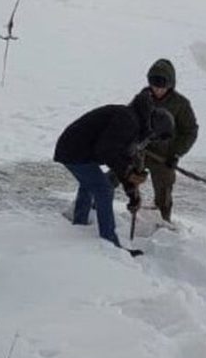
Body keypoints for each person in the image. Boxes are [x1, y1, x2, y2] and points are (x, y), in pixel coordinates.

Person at [54, 92, 174, 254]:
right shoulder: (128, 121)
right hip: (73, 150)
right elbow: (106, 150)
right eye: (155, 137)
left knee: (91, 184)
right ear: (154, 128)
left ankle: (80, 226)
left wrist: (133, 195)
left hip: (78, 150)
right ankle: (109, 243)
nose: (152, 140)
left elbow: (123, 162)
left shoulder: (135, 125)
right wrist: (128, 171)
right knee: (103, 189)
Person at [135, 59, 199, 222]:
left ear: (170, 84)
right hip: (140, 151)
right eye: (153, 84)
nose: (157, 89)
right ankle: (98, 203)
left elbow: (190, 131)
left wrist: (176, 153)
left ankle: (163, 222)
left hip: (164, 157)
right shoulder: (143, 97)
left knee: (164, 191)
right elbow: (130, 117)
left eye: (161, 86)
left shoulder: (180, 104)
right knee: (118, 175)